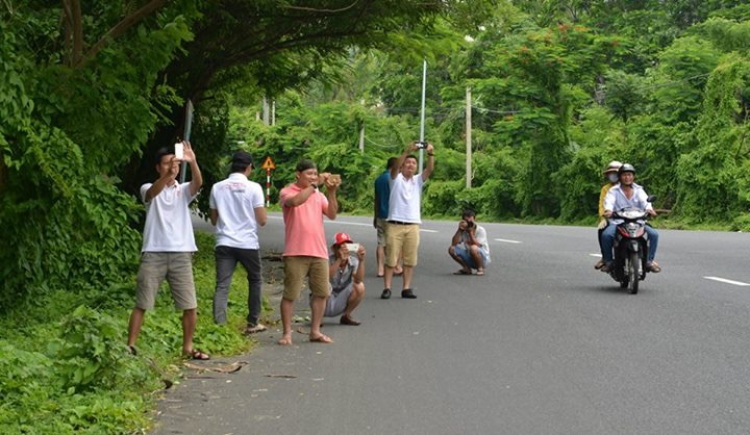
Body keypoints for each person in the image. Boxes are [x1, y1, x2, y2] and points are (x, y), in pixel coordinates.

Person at [127, 142, 209, 360]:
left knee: (190, 305)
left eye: (174, 163)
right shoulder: (148, 187)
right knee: (142, 303)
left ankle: (188, 347)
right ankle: (131, 346)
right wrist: (168, 175)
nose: (171, 167)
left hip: (181, 253)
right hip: (154, 252)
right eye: (166, 164)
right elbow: (152, 192)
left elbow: (198, 183)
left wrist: (192, 162)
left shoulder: (182, 191)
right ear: (158, 167)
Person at [278, 159, 340, 345]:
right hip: (295, 252)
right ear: (298, 174)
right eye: (309, 174)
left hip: (319, 251)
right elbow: (296, 202)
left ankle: (315, 331)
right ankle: (287, 333)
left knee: (321, 293)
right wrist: (315, 185)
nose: (313, 177)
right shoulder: (287, 191)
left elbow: (332, 214)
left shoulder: (318, 194)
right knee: (291, 294)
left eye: (315, 174)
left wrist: (331, 192)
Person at [209, 151, 268, 334]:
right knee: (255, 280)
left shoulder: (217, 187)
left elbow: (213, 219)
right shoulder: (254, 188)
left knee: (222, 284)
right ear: (249, 167)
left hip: (224, 242)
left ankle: (219, 326)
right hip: (247, 244)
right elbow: (262, 220)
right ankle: (253, 322)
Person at [382, 141, 435, 299]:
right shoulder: (395, 179)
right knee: (391, 258)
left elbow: (430, 170)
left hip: (413, 225)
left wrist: (431, 153)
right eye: (408, 163)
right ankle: (387, 287)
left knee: (410, 259)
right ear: (402, 166)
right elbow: (395, 167)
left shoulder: (418, 180)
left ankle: (406, 287)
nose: (411, 165)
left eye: (414, 163)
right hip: (395, 224)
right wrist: (406, 151)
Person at [600, 163, 661, 273]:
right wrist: (608, 211)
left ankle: (649, 261)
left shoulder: (639, 190)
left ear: (633, 177)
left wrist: (649, 209)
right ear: (620, 177)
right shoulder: (613, 191)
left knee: (654, 234)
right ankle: (609, 262)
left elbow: (645, 201)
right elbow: (609, 202)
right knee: (606, 235)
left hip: (638, 222)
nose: (627, 177)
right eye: (624, 175)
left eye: (629, 175)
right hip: (618, 222)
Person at [318, 232, 365, 326]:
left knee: (360, 287)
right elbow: (326, 277)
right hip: (325, 299)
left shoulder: (353, 261)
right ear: (334, 249)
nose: (344, 249)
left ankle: (346, 315)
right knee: (324, 285)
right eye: (340, 246)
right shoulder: (326, 260)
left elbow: (358, 279)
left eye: (347, 246)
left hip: (340, 297)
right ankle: (318, 318)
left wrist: (361, 261)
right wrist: (339, 260)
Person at [373, 157, 403, 277]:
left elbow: (376, 199)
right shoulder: (394, 179)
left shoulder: (379, 179)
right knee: (397, 243)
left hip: (380, 214)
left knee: (381, 243)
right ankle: (396, 266)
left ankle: (380, 269)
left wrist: (375, 216)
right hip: (393, 216)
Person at [594, 161, 622, 270]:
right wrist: (603, 217)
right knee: (602, 230)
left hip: (628, 216)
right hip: (611, 217)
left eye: (615, 172)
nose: (613, 175)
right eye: (611, 173)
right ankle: (605, 257)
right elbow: (602, 204)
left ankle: (647, 258)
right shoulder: (606, 188)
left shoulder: (629, 186)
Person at [448, 209, 491, 276]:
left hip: (482, 259)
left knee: (473, 248)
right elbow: (454, 244)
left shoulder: (480, 230)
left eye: (471, 221)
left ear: (475, 219)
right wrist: (459, 230)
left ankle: (480, 268)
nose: (469, 223)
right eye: (467, 221)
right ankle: (466, 268)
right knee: (452, 249)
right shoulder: (463, 231)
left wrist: (470, 232)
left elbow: (477, 245)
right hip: (470, 256)